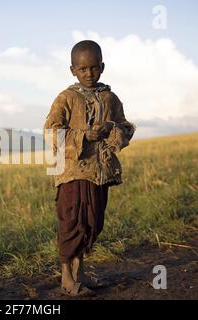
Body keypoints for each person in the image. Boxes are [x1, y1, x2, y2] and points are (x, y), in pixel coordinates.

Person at [43, 40, 136, 297]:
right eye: (82, 69)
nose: (89, 73)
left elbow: (126, 128)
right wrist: (85, 136)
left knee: (92, 223)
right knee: (71, 223)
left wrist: (111, 130)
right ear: (72, 70)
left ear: (102, 67)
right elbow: (50, 132)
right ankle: (66, 277)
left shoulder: (110, 98)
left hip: (100, 173)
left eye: (94, 68)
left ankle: (80, 273)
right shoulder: (66, 98)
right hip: (72, 173)